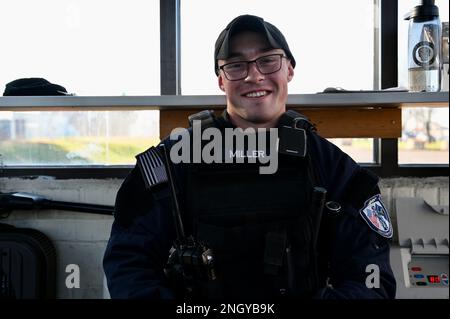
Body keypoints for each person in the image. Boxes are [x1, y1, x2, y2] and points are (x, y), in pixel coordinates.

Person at [103, 14, 396, 299]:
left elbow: (370, 280)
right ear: (221, 79)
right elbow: (129, 264)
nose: (254, 75)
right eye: (236, 65)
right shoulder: (173, 161)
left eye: (268, 60)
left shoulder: (332, 167)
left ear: (289, 69)